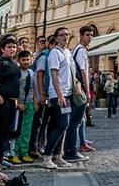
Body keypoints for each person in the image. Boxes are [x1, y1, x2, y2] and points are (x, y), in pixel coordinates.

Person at [39, 27, 73, 169]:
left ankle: (57, 155)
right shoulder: (55, 53)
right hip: (58, 94)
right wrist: (59, 95)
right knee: (63, 124)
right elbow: (54, 74)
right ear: (56, 37)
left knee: (56, 125)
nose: (65, 37)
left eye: (67, 34)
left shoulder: (67, 52)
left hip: (68, 93)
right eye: (62, 35)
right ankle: (47, 155)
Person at [0, 35, 21, 165]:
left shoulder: (15, 63)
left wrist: (16, 99)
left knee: (5, 132)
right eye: (9, 47)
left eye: (14, 47)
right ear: (2, 49)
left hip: (11, 102)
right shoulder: (0, 62)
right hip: (0, 101)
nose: (12, 49)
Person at [64, 25, 93, 161]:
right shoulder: (80, 50)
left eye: (91, 35)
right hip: (79, 88)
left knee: (76, 121)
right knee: (75, 121)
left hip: (76, 87)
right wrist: (87, 91)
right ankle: (71, 151)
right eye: (87, 35)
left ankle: (71, 149)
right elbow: (82, 72)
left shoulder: (78, 50)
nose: (90, 37)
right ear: (81, 36)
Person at [12, 49, 36, 164]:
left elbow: (35, 89)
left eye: (28, 59)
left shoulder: (32, 73)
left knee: (27, 129)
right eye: (23, 59)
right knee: (18, 129)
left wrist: (35, 102)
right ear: (18, 60)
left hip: (30, 103)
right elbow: (14, 89)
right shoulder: (17, 72)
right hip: (19, 104)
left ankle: (24, 152)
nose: (26, 62)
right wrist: (18, 102)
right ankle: (15, 153)